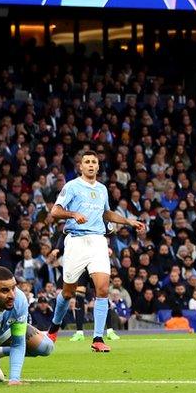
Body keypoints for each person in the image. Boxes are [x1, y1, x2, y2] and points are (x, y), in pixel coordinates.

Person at [46, 150, 144, 353]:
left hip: (98, 241)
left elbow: (105, 213)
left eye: (94, 162)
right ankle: (54, 328)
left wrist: (127, 221)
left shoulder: (102, 189)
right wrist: (73, 214)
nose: (91, 165)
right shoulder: (71, 186)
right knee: (68, 292)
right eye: (87, 162)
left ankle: (98, 338)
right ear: (80, 166)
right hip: (76, 241)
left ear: (98, 167)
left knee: (102, 289)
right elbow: (55, 211)